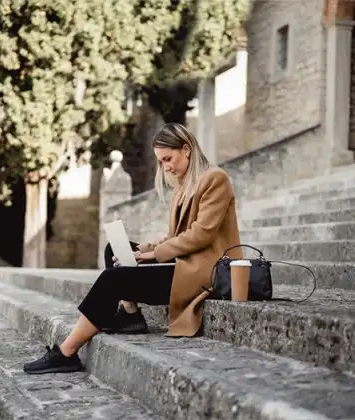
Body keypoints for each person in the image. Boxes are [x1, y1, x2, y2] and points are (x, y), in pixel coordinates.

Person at [23, 122, 243, 375]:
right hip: (185, 263)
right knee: (115, 250)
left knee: (113, 279)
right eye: (160, 162)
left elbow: (201, 234)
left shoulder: (216, 179)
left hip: (204, 272)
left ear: (187, 149)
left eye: (168, 159)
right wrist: (146, 248)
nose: (165, 167)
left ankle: (66, 353)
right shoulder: (184, 186)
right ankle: (130, 315)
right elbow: (177, 236)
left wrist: (154, 255)